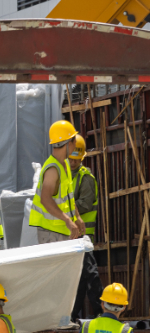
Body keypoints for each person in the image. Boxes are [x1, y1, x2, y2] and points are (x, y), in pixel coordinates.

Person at [30, 120, 84, 244]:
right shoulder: (53, 169)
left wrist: (77, 218)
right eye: (74, 141)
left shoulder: (64, 164)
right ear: (67, 143)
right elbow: (45, 199)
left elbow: (68, 198)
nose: (75, 144)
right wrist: (67, 220)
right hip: (50, 233)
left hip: (60, 231)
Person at [69, 136, 103, 320]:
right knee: (80, 278)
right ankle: (72, 315)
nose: (73, 162)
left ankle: (101, 311)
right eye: (70, 158)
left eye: (76, 158)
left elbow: (85, 204)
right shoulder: (66, 177)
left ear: (82, 158)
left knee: (89, 273)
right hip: (73, 235)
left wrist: (64, 206)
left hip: (84, 235)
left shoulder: (86, 178)